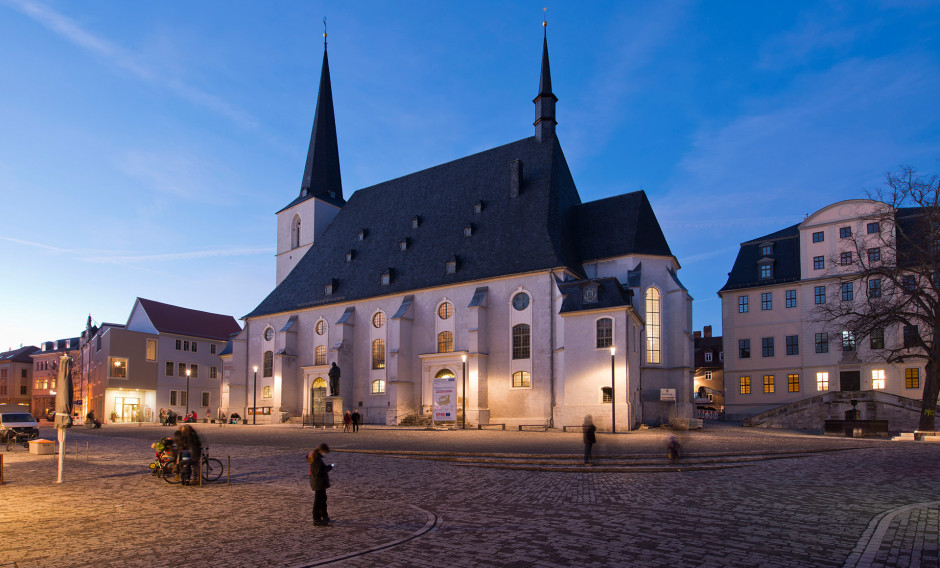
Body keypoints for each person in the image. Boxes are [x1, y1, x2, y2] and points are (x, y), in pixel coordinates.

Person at [307, 443, 333, 525]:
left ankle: (324, 516)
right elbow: (318, 472)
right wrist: (328, 468)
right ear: (322, 450)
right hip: (318, 482)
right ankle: (316, 519)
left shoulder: (314, 456)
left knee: (322, 499)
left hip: (318, 482)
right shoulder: (316, 459)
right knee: (318, 501)